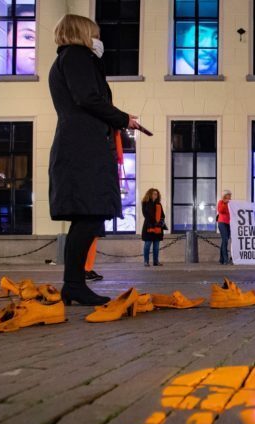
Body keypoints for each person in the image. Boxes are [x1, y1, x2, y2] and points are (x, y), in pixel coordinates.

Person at [48, 14, 140, 305]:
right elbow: (88, 98)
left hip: (81, 144)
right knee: (88, 216)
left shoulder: (69, 59)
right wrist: (124, 118)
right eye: (95, 34)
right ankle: (73, 284)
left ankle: (73, 284)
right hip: (82, 148)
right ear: (83, 33)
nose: (99, 40)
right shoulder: (76, 56)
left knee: (88, 217)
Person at [141, 189, 165, 267]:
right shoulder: (145, 203)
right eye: (154, 194)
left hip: (158, 227)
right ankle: (146, 261)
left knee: (156, 245)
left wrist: (160, 222)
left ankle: (156, 261)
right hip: (149, 226)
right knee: (147, 244)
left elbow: (162, 215)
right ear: (150, 194)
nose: (155, 195)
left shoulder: (159, 204)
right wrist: (154, 221)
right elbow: (145, 214)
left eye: (156, 194)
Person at [217, 190, 232, 265]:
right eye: (229, 195)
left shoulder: (231, 203)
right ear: (225, 195)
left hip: (228, 223)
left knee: (224, 240)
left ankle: (221, 259)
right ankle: (225, 259)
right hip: (222, 223)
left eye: (230, 195)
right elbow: (220, 211)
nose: (230, 196)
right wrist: (224, 203)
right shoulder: (221, 202)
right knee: (225, 239)